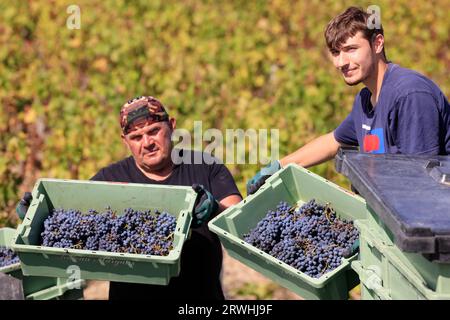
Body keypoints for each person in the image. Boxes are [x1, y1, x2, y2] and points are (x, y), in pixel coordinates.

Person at [17, 95, 242, 300]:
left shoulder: (205, 167)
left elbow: (238, 218)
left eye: (154, 131)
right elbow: (73, 224)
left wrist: (215, 209)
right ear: (125, 141)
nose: (147, 143)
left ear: (172, 126)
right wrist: (37, 215)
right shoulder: (110, 179)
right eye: (136, 137)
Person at [247, 6, 450, 195]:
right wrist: (280, 167)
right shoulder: (365, 100)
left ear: (377, 43)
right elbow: (334, 141)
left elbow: (421, 182)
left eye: (351, 49)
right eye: (336, 52)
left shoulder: (409, 94)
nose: (341, 62)